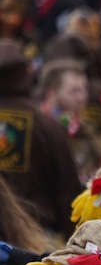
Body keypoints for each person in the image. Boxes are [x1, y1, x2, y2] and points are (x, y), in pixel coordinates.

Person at [0, 39, 80, 239]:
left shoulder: (48, 126)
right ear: (25, 73)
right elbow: (67, 190)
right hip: (35, 243)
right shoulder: (48, 126)